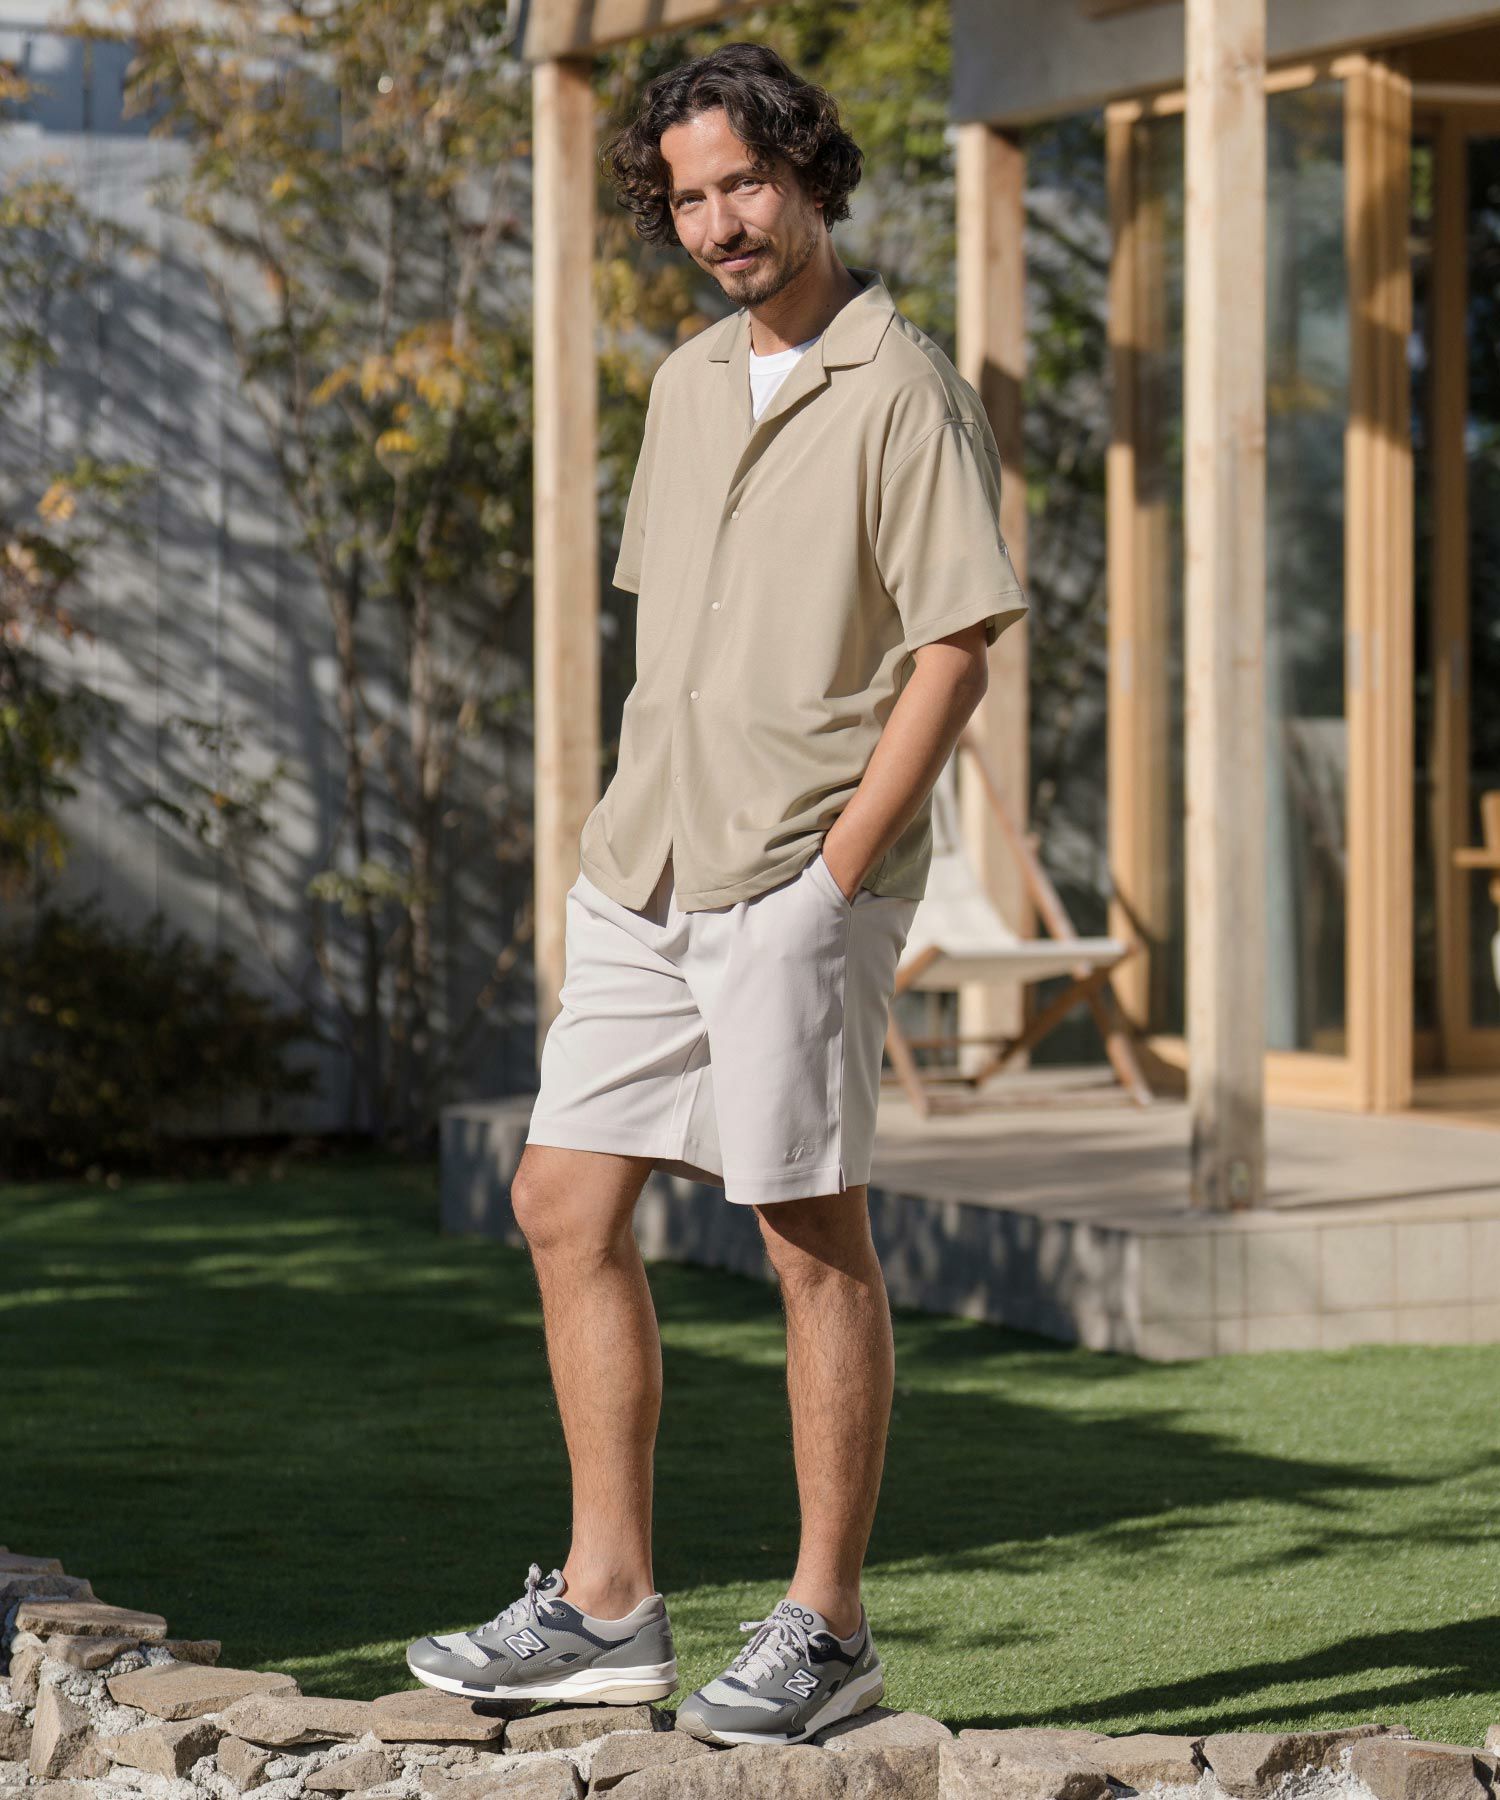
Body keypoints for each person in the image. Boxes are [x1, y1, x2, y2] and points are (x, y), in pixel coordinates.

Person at [406, 39, 1027, 1748]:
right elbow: (672, 637)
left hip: (793, 872)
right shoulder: (684, 387)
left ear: (810, 173)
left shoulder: (900, 388)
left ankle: (830, 1626)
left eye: (745, 182)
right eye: (688, 197)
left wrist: (836, 877)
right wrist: (620, 838)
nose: (720, 222)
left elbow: (955, 652)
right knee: (561, 1200)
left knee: (806, 1236)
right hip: (647, 862)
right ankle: (608, 1604)